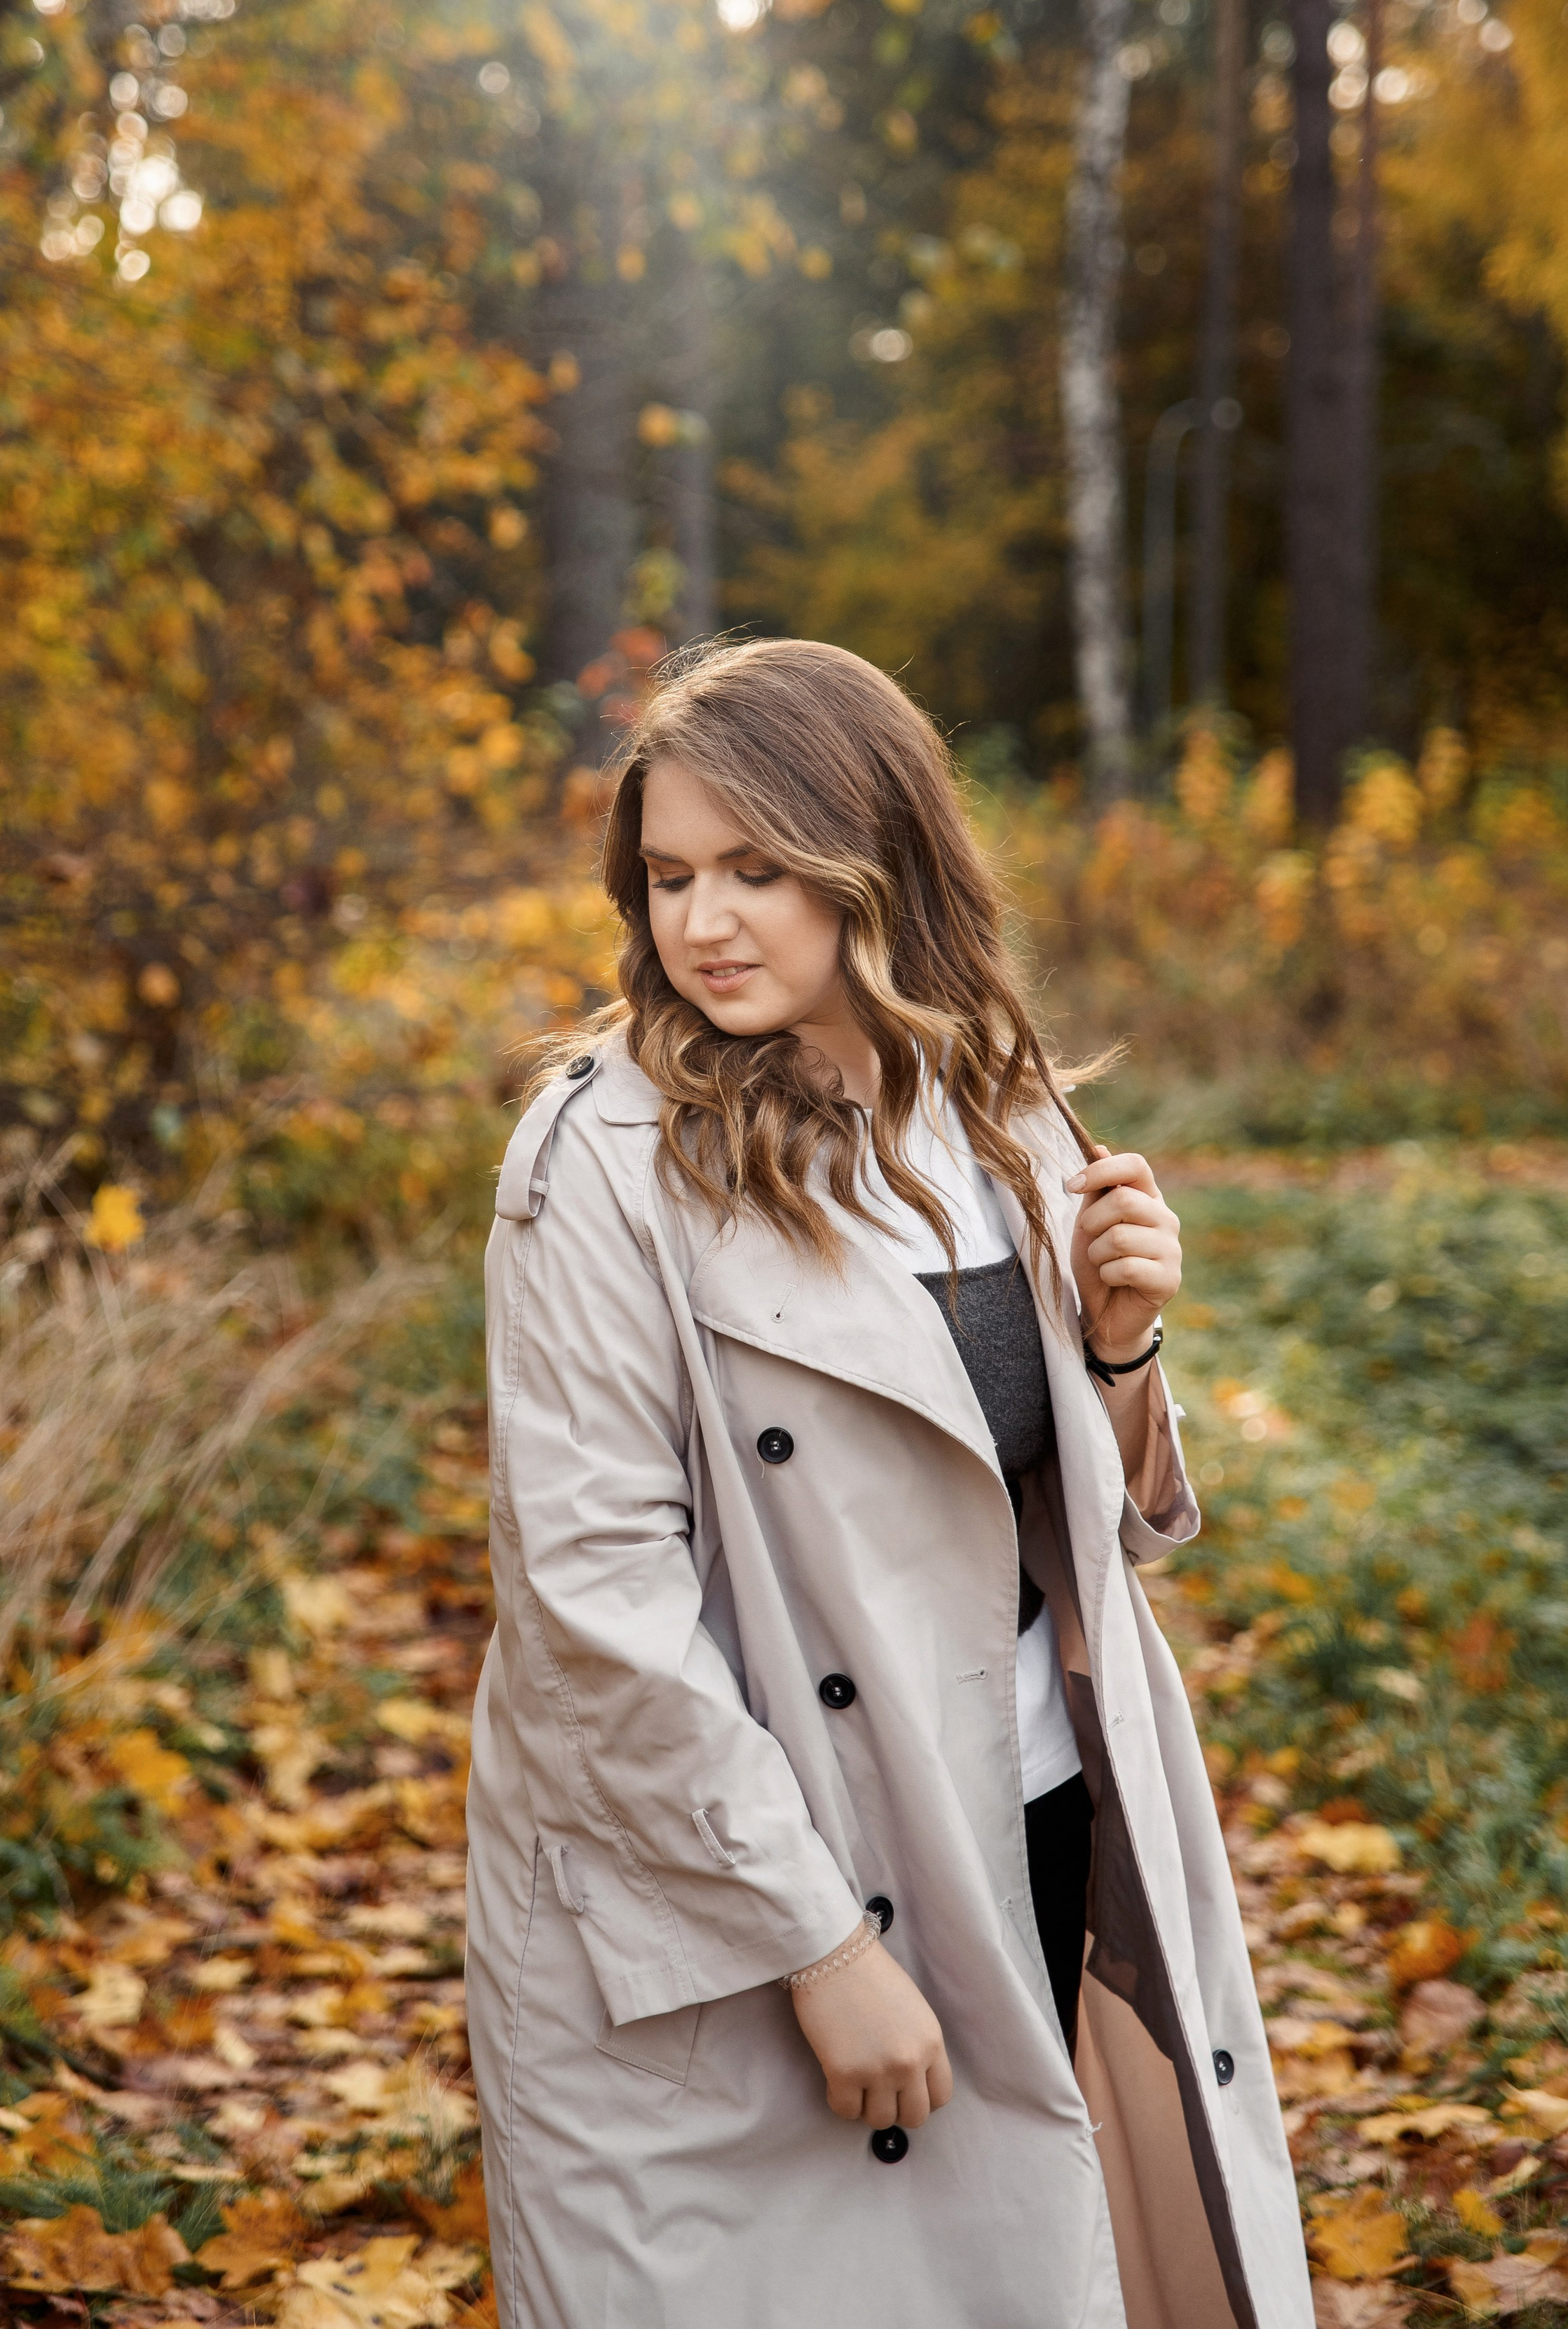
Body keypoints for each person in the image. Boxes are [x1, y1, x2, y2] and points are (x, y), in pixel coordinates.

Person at [465, 640, 1311, 2329]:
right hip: (757, 1864)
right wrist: (819, 1946)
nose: (706, 922)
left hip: (1037, 1791)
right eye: (672, 875)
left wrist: (1123, 1356)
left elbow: (1085, 1535)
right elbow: (591, 1607)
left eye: (758, 869)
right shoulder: (601, 1158)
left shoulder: (997, 1112)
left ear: (879, 855)